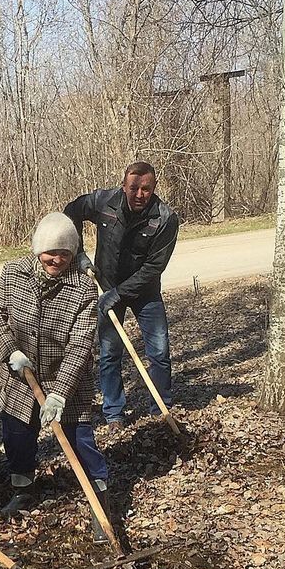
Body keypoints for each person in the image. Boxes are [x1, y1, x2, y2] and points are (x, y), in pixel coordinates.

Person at [0, 212, 111, 526]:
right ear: (37, 248)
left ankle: (100, 500)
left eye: (65, 253)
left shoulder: (82, 288)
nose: (57, 258)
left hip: (66, 379)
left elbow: (80, 346)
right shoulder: (14, 273)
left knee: (80, 441)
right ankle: (23, 489)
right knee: (17, 437)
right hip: (20, 377)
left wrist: (58, 395)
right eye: (51, 251)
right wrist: (9, 350)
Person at [64, 161, 180, 426]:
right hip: (106, 286)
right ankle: (114, 412)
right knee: (109, 353)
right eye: (134, 188)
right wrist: (78, 254)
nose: (140, 195)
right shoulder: (104, 202)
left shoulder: (164, 218)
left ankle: (161, 410)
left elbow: (154, 267)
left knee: (159, 353)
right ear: (124, 186)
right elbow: (71, 212)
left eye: (146, 189)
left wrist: (119, 294)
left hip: (144, 291)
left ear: (154, 188)